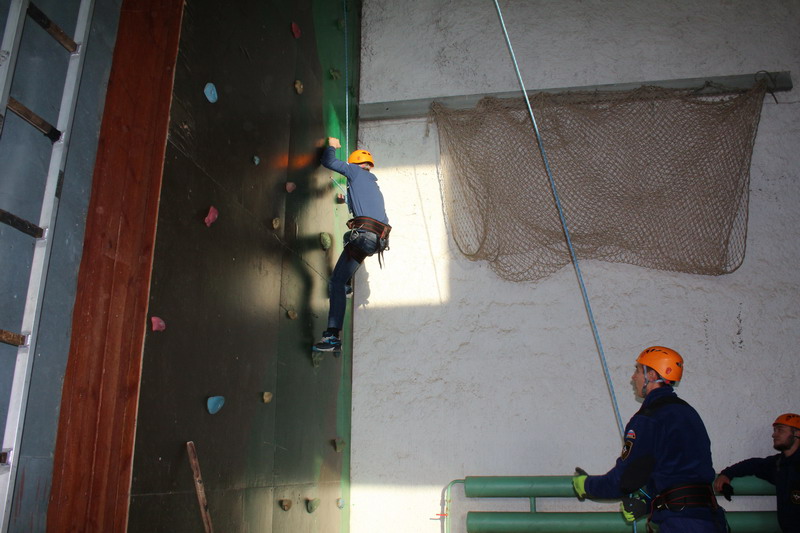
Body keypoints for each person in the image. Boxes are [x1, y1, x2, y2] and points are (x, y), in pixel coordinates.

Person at [572, 346, 728, 532]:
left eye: (638, 370)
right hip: (711, 519)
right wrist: (648, 504)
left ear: (652, 376)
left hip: (681, 524)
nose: (633, 377)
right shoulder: (689, 413)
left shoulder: (648, 419)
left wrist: (586, 485)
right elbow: (681, 473)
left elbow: (624, 481)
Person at [312, 137, 390, 352]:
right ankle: (346, 286)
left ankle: (332, 336)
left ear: (356, 164)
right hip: (374, 241)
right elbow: (370, 210)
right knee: (348, 239)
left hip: (364, 237)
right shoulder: (374, 186)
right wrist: (346, 198)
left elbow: (328, 162)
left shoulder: (356, 173)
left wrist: (332, 146)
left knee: (335, 282)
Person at [713, 413, 800, 533]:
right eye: (775, 430)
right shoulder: (780, 464)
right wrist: (726, 474)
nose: (774, 434)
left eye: (780, 430)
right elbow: (754, 464)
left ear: (797, 433)